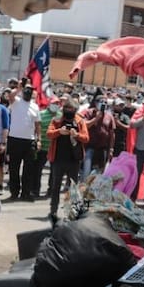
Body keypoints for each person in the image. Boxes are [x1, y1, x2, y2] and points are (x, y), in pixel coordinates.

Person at [46, 95, 88, 224]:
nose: (69, 110)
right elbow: (49, 133)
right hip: (58, 159)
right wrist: (59, 131)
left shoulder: (80, 121)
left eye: (72, 108)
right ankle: (53, 210)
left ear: (75, 109)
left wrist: (77, 135)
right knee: (55, 187)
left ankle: (73, 211)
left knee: (73, 188)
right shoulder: (57, 119)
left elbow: (86, 138)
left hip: (74, 160)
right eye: (67, 108)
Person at [6, 84, 40, 201]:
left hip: (29, 140)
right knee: (13, 168)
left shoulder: (35, 106)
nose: (28, 92)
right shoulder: (16, 102)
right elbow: (10, 95)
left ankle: (26, 193)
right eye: (26, 89)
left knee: (28, 169)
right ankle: (14, 192)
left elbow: (37, 124)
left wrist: (38, 139)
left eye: (30, 90)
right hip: (15, 139)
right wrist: (20, 87)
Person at [81, 96, 115, 180]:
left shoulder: (109, 116)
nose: (103, 103)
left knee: (99, 173)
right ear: (96, 103)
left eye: (105, 102)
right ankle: (83, 189)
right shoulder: (89, 112)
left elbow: (112, 133)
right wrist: (96, 119)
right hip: (89, 147)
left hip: (102, 149)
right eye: (101, 101)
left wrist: (111, 149)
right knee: (86, 172)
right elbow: (85, 125)